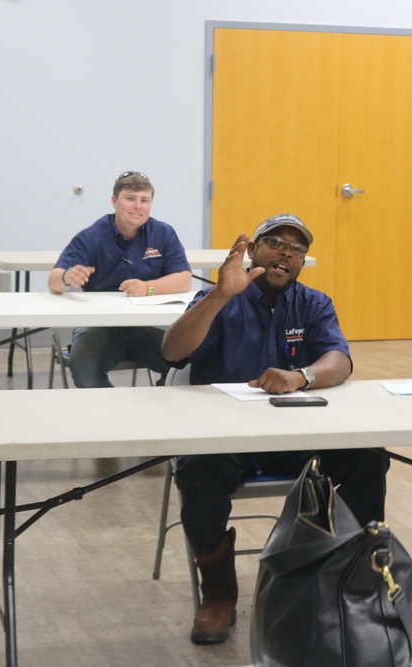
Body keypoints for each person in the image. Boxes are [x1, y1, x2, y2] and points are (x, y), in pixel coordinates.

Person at [161, 214, 390, 646]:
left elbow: (339, 360)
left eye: (297, 248)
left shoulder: (314, 303)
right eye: (276, 243)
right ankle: (218, 591)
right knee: (197, 471)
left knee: (369, 456)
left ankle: (346, 577)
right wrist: (221, 294)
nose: (287, 252)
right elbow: (173, 351)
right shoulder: (218, 297)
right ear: (253, 251)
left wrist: (301, 375)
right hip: (226, 441)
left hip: (297, 438)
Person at [47, 171, 191, 387]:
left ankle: (155, 413)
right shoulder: (92, 236)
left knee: (185, 364)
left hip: (146, 324)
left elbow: (184, 279)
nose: (138, 206)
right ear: (114, 201)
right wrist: (68, 276)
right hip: (99, 326)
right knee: (85, 370)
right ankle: (112, 417)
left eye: (144, 200)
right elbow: (54, 281)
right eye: (130, 199)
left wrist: (148, 288)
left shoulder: (162, 233)